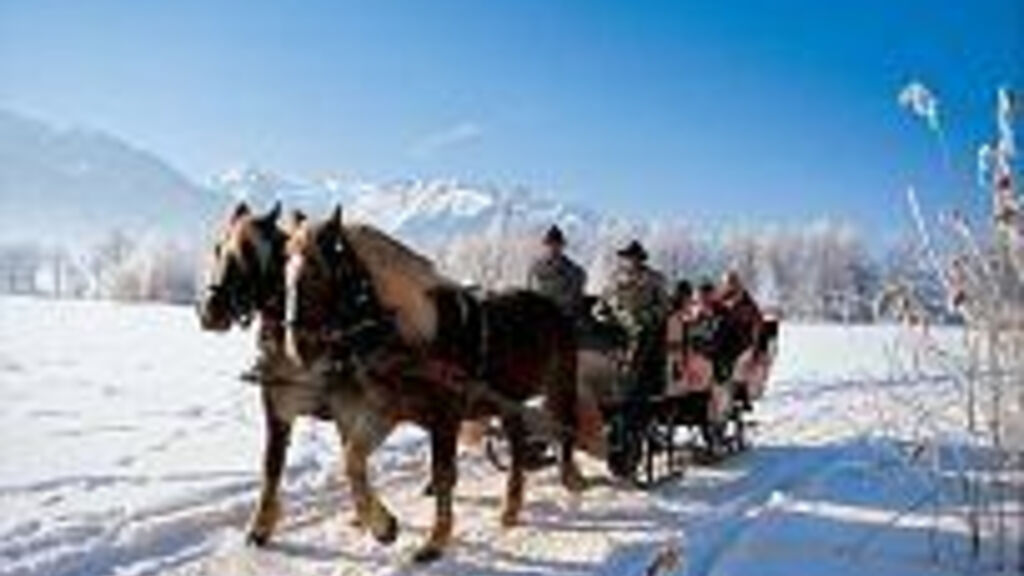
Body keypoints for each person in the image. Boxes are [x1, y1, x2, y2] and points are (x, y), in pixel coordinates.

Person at [600, 240, 669, 397]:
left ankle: (628, 387)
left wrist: (646, 317)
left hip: (644, 327)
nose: (631, 261)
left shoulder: (654, 278)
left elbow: (664, 305)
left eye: (634, 257)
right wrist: (603, 315)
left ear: (640, 259)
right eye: (628, 257)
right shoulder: (614, 278)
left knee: (638, 343)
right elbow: (604, 301)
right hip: (616, 324)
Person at [527, 225, 587, 320]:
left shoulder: (573, 270)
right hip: (540, 314)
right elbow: (531, 289)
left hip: (563, 314)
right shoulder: (536, 268)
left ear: (561, 246)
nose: (553, 248)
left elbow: (575, 294)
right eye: (551, 244)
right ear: (546, 245)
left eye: (557, 244)